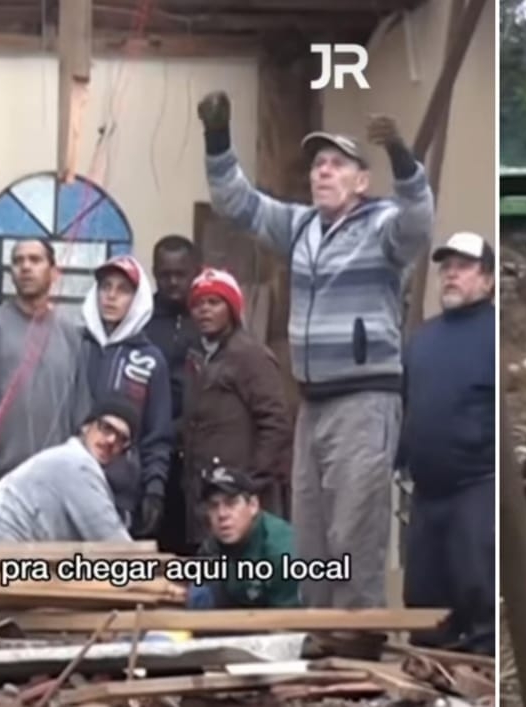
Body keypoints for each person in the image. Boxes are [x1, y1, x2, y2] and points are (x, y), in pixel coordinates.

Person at [198, 90, 435, 609]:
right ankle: (324, 637)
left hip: (364, 402)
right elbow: (236, 203)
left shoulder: (382, 226)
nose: (322, 172)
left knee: (355, 530)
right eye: (317, 165)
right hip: (312, 401)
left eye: (336, 164)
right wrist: (217, 138)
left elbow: (419, 219)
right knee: (313, 534)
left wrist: (400, 154)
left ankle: (358, 648)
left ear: (361, 181)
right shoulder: (301, 226)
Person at [397, 232, 497, 656]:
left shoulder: (495, 333)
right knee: (423, 598)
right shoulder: (422, 339)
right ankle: (429, 678)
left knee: (476, 592)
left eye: (465, 266)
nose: (451, 274)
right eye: (446, 266)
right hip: (425, 493)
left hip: (476, 485)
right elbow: (407, 405)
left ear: (488, 280)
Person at [0, 238, 83, 504]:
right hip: (3, 483)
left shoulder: (70, 334)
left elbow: (79, 413)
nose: (25, 267)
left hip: (58, 484)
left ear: (54, 272)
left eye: (35, 260)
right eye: (18, 261)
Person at [182, 268, 292, 552]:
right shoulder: (200, 357)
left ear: (231, 308)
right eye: (197, 304)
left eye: (214, 302)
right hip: (209, 498)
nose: (204, 310)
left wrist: (250, 482)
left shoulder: (250, 355)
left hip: (243, 501)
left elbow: (276, 423)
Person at [78, 255, 173, 537]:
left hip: (120, 494)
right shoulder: (75, 346)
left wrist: (154, 489)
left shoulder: (150, 360)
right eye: (105, 287)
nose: (111, 296)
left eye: (123, 290)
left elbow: (159, 434)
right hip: (69, 481)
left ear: (138, 297)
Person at [0, 398, 137, 543]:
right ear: (86, 427)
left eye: (121, 439)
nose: (111, 440)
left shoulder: (72, 461)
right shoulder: (76, 465)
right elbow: (114, 545)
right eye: (106, 428)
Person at [144, 235, 202, 554]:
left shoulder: (210, 316)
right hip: (151, 450)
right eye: (165, 275)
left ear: (195, 271)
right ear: (155, 273)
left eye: (181, 274)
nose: (173, 282)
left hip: (196, 451)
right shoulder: (141, 319)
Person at [186, 466, 301, 609]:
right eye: (214, 506)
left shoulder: (281, 551)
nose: (222, 514)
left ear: (253, 506)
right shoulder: (212, 546)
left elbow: (291, 624)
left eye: (231, 503)